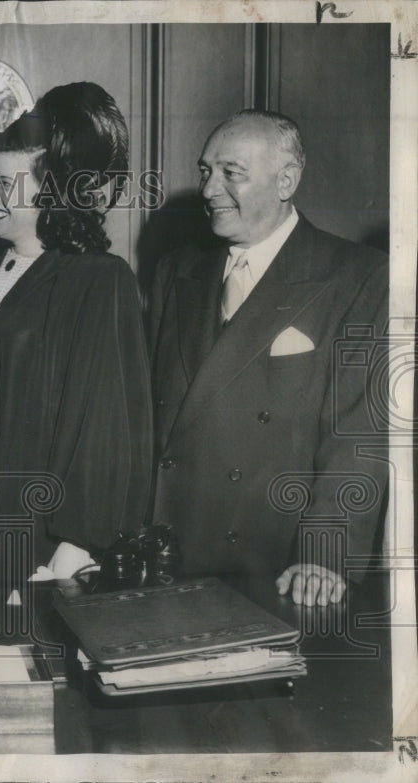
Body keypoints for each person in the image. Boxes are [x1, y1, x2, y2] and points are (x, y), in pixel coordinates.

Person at [148, 110, 389, 605]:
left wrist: (326, 554)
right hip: (168, 555)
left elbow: (357, 432)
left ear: (286, 181)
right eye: (205, 171)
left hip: (277, 569)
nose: (209, 189)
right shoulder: (176, 270)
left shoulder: (358, 276)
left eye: (231, 173)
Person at [0, 82, 153, 581]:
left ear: (51, 191)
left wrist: (74, 550)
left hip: (42, 546)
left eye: (5, 185)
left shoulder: (99, 279)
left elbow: (106, 425)